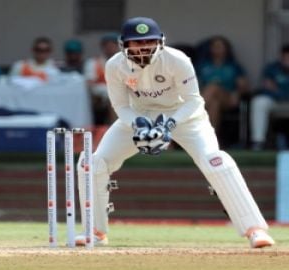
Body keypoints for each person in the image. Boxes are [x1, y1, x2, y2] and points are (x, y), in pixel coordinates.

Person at [74, 17, 274, 249]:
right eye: (137, 43)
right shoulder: (114, 65)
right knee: (94, 163)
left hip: (184, 117)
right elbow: (121, 106)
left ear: (161, 42)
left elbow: (193, 101)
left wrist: (167, 125)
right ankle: (96, 231)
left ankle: (254, 230)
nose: (143, 48)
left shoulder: (177, 60)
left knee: (216, 161)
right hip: (139, 117)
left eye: (149, 41)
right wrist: (138, 124)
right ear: (124, 45)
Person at [196, 36, 251, 136]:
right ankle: (210, 138)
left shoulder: (233, 66)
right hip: (207, 97)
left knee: (213, 87)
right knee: (214, 104)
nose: (217, 49)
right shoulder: (203, 65)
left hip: (228, 97)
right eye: (215, 46)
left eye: (220, 46)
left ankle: (193, 112)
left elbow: (243, 86)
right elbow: (193, 82)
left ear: (226, 49)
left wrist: (238, 92)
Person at [250, 44, 289, 150]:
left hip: (281, 98)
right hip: (275, 101)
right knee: (259, 102)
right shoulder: (272, 68)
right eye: (286, 57)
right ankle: (258, 141)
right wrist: (281, 93)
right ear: (281, 56)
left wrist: (278, 90)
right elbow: (267, 88)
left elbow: (274, 88)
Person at [83, 33, 120, 125]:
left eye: (113, 45)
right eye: (107, 45)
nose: (110, 48)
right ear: (103, 47)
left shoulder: (125, 63)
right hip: (99, 99)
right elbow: (90, 85)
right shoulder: (92, 63)